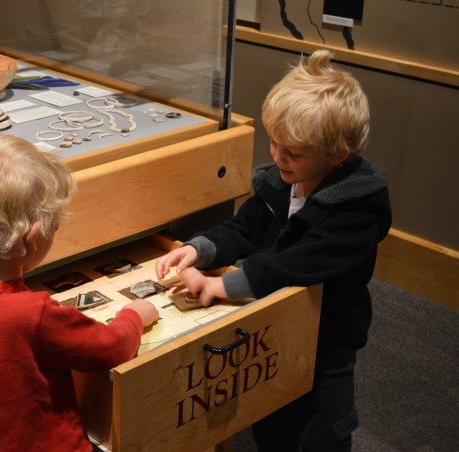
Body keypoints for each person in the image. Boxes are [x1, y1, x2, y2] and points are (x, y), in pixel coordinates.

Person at [155, 50, 392, 451]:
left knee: (321, 432)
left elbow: (296, 265)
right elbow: (243, 227)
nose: (277, 157)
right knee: (272, 422)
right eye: (274, 142)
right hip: (276, 327)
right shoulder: (282, 181)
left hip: (326, 340)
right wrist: (201, 249)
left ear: (338, 155)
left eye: (293, 152)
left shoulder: (358, 209)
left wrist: (225, 286)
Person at [0, 134, 159, 452]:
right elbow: (111, 350)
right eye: (54, 226)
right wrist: (135, 315)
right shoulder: (32, 313)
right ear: (34, 235)